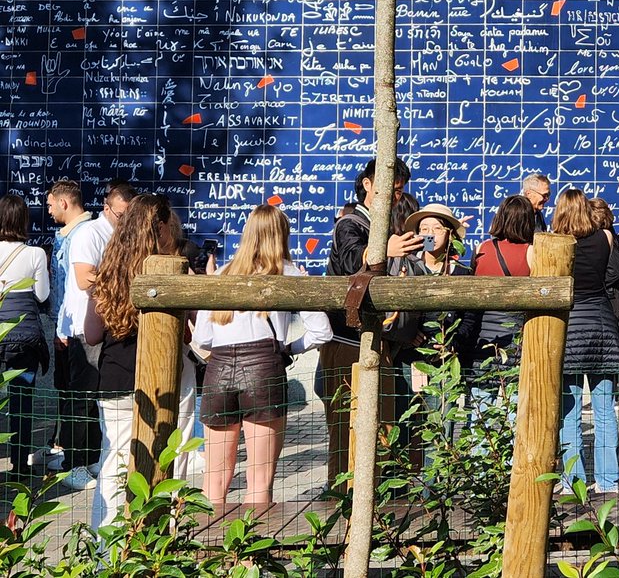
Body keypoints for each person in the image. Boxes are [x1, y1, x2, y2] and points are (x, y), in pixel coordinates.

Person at [194, 205, 332, 507]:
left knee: (213, 481)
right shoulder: (290, 274)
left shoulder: (221, 274)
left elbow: (201, 338)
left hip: (218, 368)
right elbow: (322, 332)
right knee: (259, 480)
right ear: (282, 236)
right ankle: (251, 554)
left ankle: (207, 549)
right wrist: (289, 349)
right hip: (263, 367)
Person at [84, 193, 195, 528]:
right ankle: (166, 538)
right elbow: (188, 333)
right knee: (175, 456)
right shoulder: (174, 271)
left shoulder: (108, 273)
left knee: (115, 462)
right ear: (159, 227)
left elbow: (91, 334)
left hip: (117, 376)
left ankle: (106, 548)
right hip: (170, 377)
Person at [319, 159, 419, 491]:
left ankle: (378, 500)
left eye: (398, 192)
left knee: (383, 427)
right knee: (346, 428)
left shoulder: (385, 224)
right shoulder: (350, 224)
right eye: (389, 190)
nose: (394, 197)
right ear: (367, 184)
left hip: (380, 344)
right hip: (349, 345)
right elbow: (350, 262)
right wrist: (385, 249)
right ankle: (342, 500)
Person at [62, 180, 135, 492]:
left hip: (108, 324)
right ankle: (73, 465)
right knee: (82, 399)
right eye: (121, 215)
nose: (125, 221)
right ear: (107, 208)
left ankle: (92, 458)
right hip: (86, 325)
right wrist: (121, 284)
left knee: (95, 401)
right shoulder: (91, 233)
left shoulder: (121, 234)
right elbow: (83, 278)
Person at [553, 188, 619, 493]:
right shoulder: (606, 238)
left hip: (569, 328)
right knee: (605, 409)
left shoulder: (554, 243)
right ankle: (608, 481)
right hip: (601, 325)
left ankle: (573, 480)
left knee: (569, 410)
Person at [0, 194, 50, 481]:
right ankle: (19, 467)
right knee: (22, 401)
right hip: (24, 336)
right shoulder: (34, 255)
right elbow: (42, 295)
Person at [456, 195, 534, 379]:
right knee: (514, 396)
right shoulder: (532, 252)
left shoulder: (481, 247)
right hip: (515, 334)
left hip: (481, 335)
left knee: (480, 395)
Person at [46, 180, 93, 478]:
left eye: (50, 204)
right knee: (65, 390)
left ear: (64, 203)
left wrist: (62, 326)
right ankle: (66, 452)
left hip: (75, 326)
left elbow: (69, 289)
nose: (48, 210)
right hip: (65, 324)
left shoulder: (81, 235)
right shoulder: (67, 234)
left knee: (77, 395)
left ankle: (77, 461)